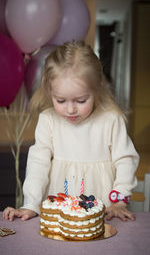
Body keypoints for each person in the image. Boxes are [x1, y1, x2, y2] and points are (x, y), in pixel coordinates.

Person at [3, 41, 139, 222]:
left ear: (97, 89)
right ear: (50, 91)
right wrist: (31, 204)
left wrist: (119, 201)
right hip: (60, 212)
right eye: (60, 100)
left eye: (81, 100)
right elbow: (38, 166)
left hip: (104, 213)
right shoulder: (48, 120)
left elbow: (125, 160)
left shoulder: (111, 120)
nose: (70, 110)